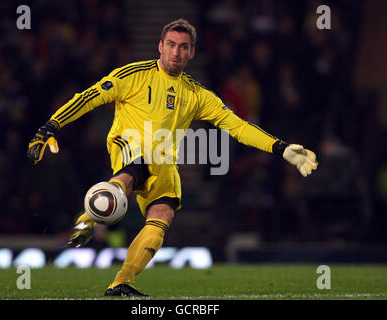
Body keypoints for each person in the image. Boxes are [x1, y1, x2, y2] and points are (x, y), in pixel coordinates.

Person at [27, 19, 318, 296]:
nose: (176, 51)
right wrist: (50, 127)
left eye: (183, 46)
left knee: (162, 215)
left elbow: (238, 127)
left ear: (191, 52)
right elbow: (89, 96)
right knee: (134, 167)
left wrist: (279, 147)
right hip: (129, 147)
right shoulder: (133, 75)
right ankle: (92, 215)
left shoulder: (197, 94)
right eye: (171, 44)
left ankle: (120, 283)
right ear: (160, 46)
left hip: (164, 162)